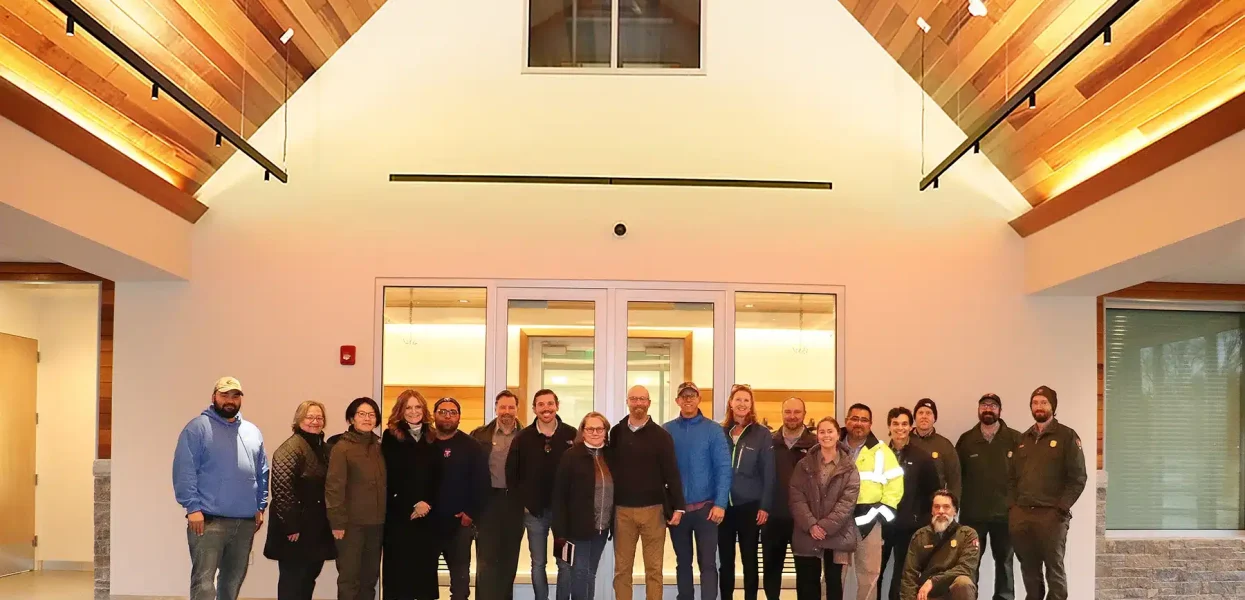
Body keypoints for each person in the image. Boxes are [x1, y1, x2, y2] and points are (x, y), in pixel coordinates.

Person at [173, 376, 269, 600]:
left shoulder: (252, 432)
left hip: (244, 523)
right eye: (224, 395)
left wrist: (260, 506)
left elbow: (262, 472)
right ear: (214, 397)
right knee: (204, 583)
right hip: (208, 521)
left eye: (235, 396)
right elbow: (184, 470)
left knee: (233, 581)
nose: (230, 400)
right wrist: (192, 508)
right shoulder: (197, 429)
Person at [1007, 386, 1087, 600]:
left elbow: (1078, 478)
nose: (1039, 406)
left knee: (1055, 570)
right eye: (1035, 402)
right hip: (1022, 516)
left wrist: (1061, 507)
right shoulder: (1023, 439)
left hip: (1052, 516)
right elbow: (1011, 478)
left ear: (1053, 406)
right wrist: (1013, 508)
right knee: (1029, 570)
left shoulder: (1067, 436)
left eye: (1044, 402)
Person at [610, 384, 684, 600]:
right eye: (634, 399)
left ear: (649, 403)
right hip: (623, 512)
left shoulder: (661, 436)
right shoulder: (616, 433)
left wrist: (678, 506)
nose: (638, 403)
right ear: (627, 402)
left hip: (654, 512)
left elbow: (672, 472)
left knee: (654, 570)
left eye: (642, 399)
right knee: (622, 571)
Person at [508, 389, 578, 600]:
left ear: (557, 405)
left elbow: (581, 471)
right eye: (541, 404)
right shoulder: (523, 438)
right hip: (534, 514)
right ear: (534, 409)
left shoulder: (571, 435)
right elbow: (512, 473)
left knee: (564, 563)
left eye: (550, 403)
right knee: (538, 563)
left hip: (564, 515)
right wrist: (523, 503)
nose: (546, 408)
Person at [665, 381, 732, 600]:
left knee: (708, 564)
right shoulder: (667, 430)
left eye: (692, 395)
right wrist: (668, 507)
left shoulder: (713, 430)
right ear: (677, 401)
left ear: (699, 399)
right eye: (683, 396)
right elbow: (660, 470)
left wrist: (721, 503)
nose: (688, 399)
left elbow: (723, 467)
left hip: (707, 509)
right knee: (683, 562)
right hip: (679, 511)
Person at [264, 400, 336, 600]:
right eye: (310, 417)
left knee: (308, 579)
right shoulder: (290, 448)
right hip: (295, 531)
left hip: (315, 528)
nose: (315, 421)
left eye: (319, 417)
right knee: (292, 583)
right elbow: (281, 490)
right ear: (299, 420)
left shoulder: (323, 448)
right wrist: (291, 526)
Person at [955, 393, 1020, 600]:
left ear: (1000, 410)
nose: (988, 409)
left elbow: (1024, 476)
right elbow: (957, 478)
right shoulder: (966, 440)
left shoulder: (1015, 439)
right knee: (970, 563)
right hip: (973, 516)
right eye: (984, 405)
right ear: (978, 409)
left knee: (1005, 563)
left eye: (993, 405)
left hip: (1005, 515)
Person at [789, 416, 861, 600]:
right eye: (822, 431)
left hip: (836, 535)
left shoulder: (850, 468)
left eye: (830, 431)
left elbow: (847, 503)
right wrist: (812, 525)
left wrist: (825, 527)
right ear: (817, 435)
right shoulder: (804, 465)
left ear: (838, 435)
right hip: (807, 533)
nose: (826, 435)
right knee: (807, 585)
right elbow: (796, 497)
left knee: (834, 585)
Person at [381, 390, 442, 600]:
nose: (413, 411)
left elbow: (438, 477)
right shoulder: (390, 436)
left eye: (417, 407)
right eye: (408, 407)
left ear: (424, 410)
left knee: (424, 576)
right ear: (400, 410)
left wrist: (427, 503)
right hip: (400, 515)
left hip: (427, 517)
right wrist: (413, 503)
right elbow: (392, 475)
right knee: (400, 577)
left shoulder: (433, 436)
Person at [719, 384, 776, 600]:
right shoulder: (720, 432)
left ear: (751, 405)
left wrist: (765, 505)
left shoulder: (761, 434)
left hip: (750, 506)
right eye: (738, 400)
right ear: (731, 403)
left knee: (749, 559)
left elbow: (769, 473)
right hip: (723, 507)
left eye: (746, 400)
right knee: (725, 561)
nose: (742, 404)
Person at [326, 397, 387, 600]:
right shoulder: (342, 448)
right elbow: (334, 488)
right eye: (362, 414)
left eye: (371, 415)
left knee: (370, 579)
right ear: (352, 418)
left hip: (376, 524)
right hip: (350, 526)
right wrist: (337, 522)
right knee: (349, 579)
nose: (367, 418)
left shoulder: (379, 447)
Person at [551, 412, 615, 600]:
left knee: (590, 573)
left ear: (605, 431)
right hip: (577, 529)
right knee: (578, 574)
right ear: (583, 432)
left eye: (599, 429)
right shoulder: (571, 456)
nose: (595, 432)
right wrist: (560, 532)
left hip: (602, 528)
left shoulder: (610, 456)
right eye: (590, 429)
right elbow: (559, 495)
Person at [878, 408, 940, 600]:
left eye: (904, 424)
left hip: (910, 527)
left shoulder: (922, 457)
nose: (900, 428)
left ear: (910, 427)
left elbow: (933, 492)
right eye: (895, 423)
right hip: (881, 525)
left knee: (902, 575)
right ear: (889, 426)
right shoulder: (878, 455)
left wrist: (922, 521)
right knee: (875, 572)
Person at [843, 403, 903, 600]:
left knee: (869, 576)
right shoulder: (833, 446)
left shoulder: (882, 451)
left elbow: (894, 487)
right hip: (837, 521)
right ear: (846, 421)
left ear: (870, 424)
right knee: (834, 576)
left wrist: (877, 514)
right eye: (854, 418)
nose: (858, 423)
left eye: (863, 420)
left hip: (869, 522)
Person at [434, 397, 491, 600]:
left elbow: (482, 483)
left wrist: (470, 513)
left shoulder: (472, 446)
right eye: (442, 411)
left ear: (459, 417)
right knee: (424, 581)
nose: (447, 416)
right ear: (434, 415)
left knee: (460, 582)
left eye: (452, 412)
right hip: (427, 524)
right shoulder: (424, 443)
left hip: (459, 524)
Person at [471, 391, 525, 600]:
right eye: (503, 407)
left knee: (509, 560)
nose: (507, 412)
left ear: (517, 409)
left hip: (514, 503)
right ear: (496, 409)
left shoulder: (527, 436)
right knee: (486, 561)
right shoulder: (480, 435)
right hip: (488, 503)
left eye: (511, 407)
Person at [763, 397, 817, 600]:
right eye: (788, 412)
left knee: (807, 574)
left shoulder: (815, 445)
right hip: (773, 518)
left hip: (804, 521)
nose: (792, 416)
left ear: (804, 414)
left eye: (797, 412)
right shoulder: (769, 442)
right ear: (781, 413)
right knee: (771, 571)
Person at [899, 490, 980, 600]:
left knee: (963, 583)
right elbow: (909, 576)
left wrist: (933, 581)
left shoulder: (968, 534)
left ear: (955, 511)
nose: (941, 511)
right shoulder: (920, 536)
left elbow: (966, 568)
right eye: (937, 507)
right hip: (926, 595)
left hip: (953, 593)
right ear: (932, 511)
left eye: (946, 507)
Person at [909, 399, 961, 499]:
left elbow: (954, 480)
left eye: (928, 413)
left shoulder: (944, 445)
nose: (924, 416)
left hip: (935, 505)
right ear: (915, 417)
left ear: (934, 418)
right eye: (920, 413)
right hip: (908, 504)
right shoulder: (905, 441)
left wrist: (953, 505)